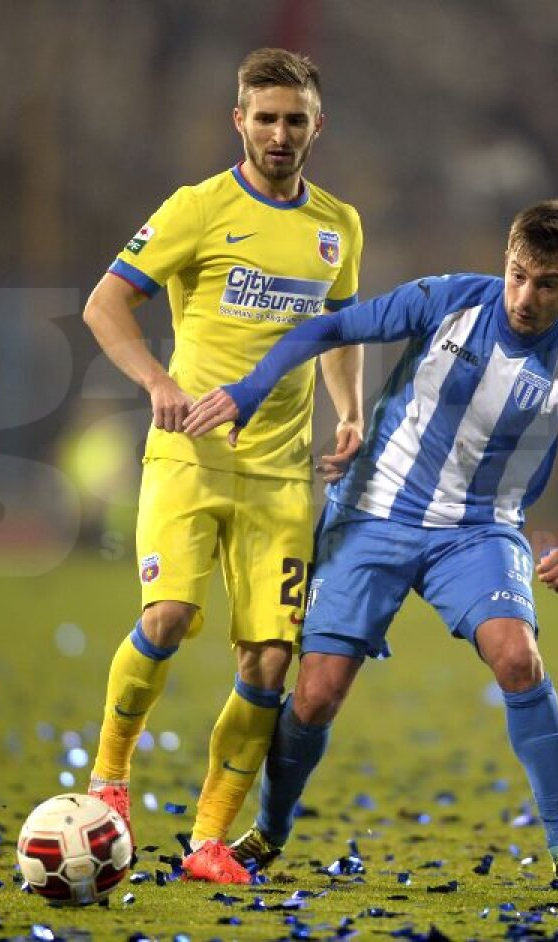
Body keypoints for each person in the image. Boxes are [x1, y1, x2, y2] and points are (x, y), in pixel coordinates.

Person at [184, 199, 558, 890]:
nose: (525, 296)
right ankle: (268, 833)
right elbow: (330, 327)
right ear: (503, 262)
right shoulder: (446, 301)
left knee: (519, 659)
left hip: (479, 532)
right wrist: (249, 389)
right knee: (317, 695)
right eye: (516, 275)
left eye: (546, 284)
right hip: (371, 515)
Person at [80, 47, 364, 885]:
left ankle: (208, 841)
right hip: (190, 459)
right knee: (166, 618)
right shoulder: (197, 208)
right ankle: (111, 782)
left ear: (318, 126)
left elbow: (339, 332)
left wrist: (349, 413)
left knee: (269, 664)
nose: (280, 133)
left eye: (295, 119)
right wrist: (157, 381)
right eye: (265, 117)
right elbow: (105, 303)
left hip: (282, 478)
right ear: (238, 120)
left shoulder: (338, 227)